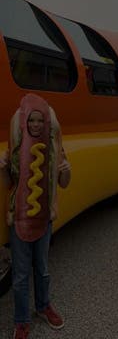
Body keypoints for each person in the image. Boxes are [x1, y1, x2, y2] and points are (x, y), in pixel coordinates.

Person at [0, 93, 71, 339]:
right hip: (18, 217)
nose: (36, 125)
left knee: (42, 269)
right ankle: (21, 321)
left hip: (44, 218)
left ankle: (43, 307)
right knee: (20, 275)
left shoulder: (55, 147)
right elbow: (9, 183)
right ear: (25, 123)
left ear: (46, 123)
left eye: (40, 121)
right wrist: (2, 169)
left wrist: (66, 170)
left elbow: (64, 183)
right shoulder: (15, 149)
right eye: (32, 120)